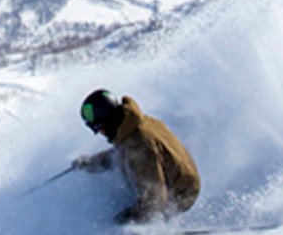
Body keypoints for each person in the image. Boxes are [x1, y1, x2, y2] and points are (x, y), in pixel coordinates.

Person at [71, 89, 200, 223]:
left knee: (126, 220)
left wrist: (132, 223)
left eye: (100, 129)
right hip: (169, 178)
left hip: (181, 193)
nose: (102, 134)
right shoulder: (130, 124)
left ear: (108, 123)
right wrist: (90, 163)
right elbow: (118, 155)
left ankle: (149, 234)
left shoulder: (139, 145)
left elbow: (155, 197)